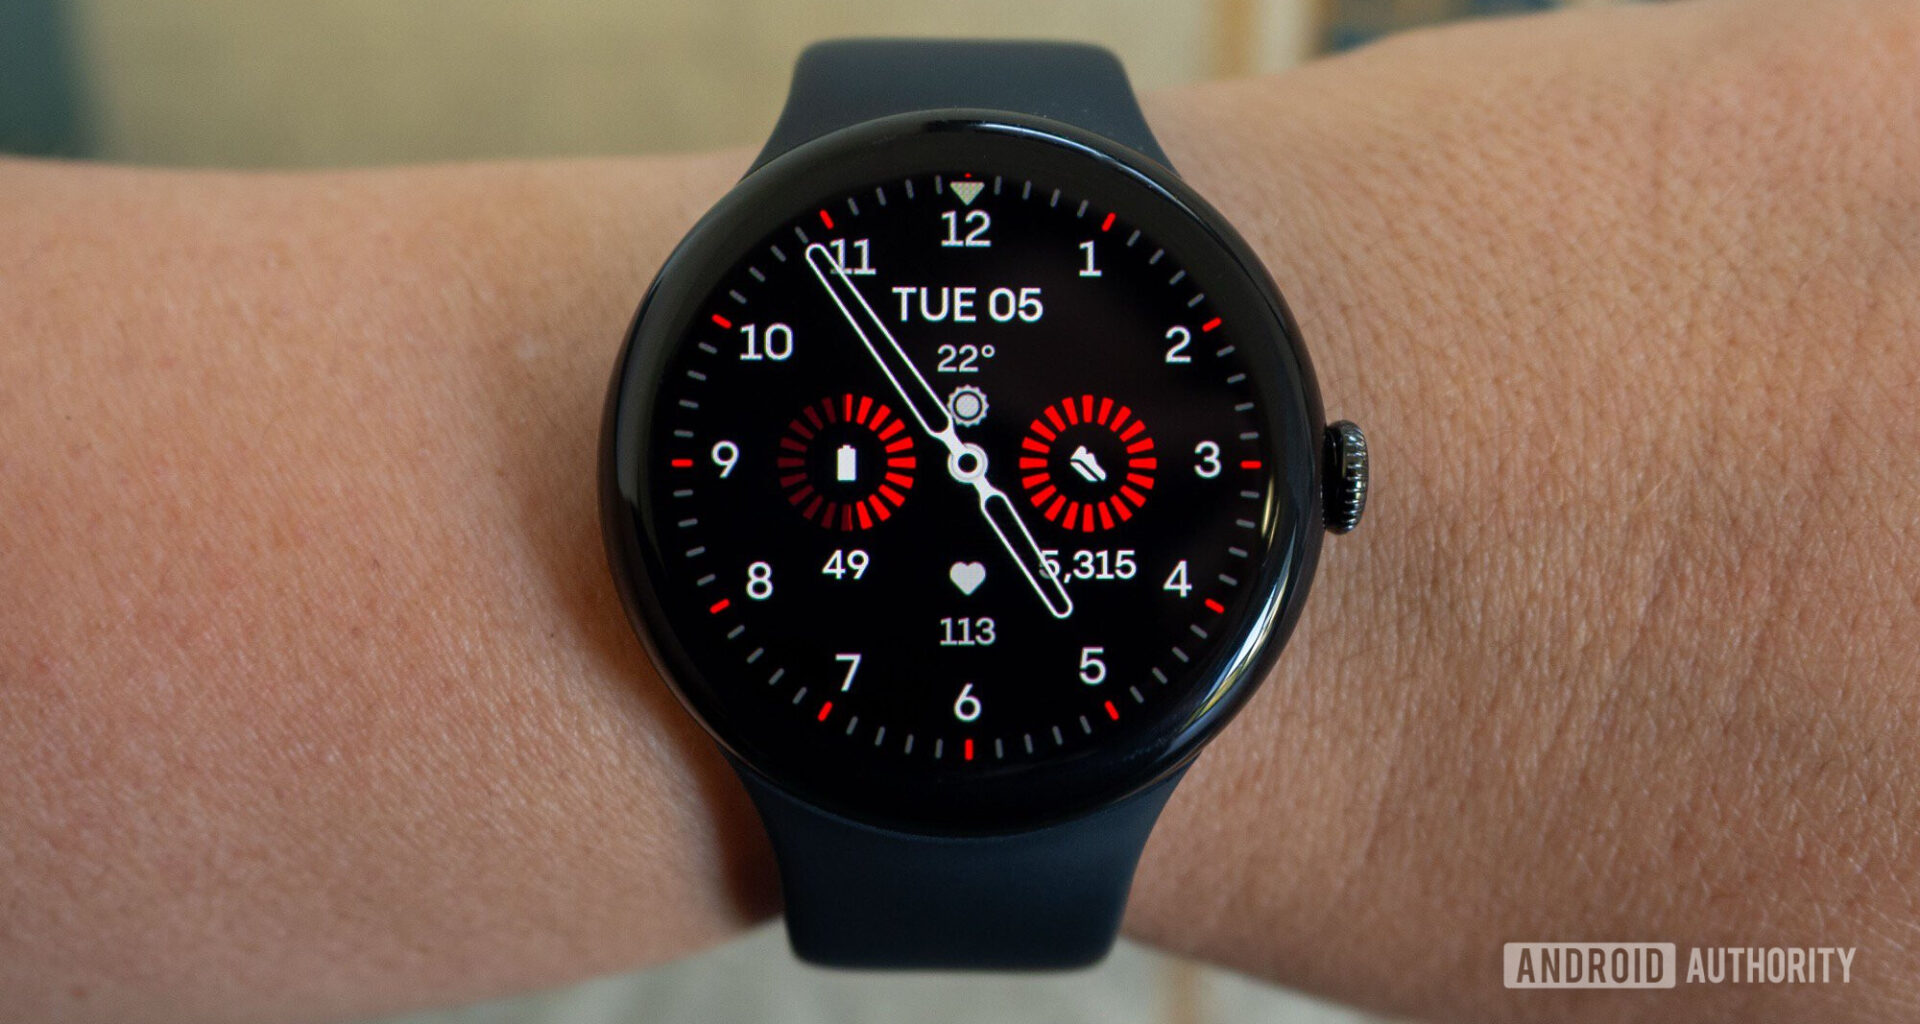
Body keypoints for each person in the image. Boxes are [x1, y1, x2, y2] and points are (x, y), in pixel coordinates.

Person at [2, 0, 1915, 1021]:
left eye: (1044, 464)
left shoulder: (1212, 446)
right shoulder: (823, 360)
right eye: (954, 455)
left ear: (1325, 479)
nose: (989, 470)